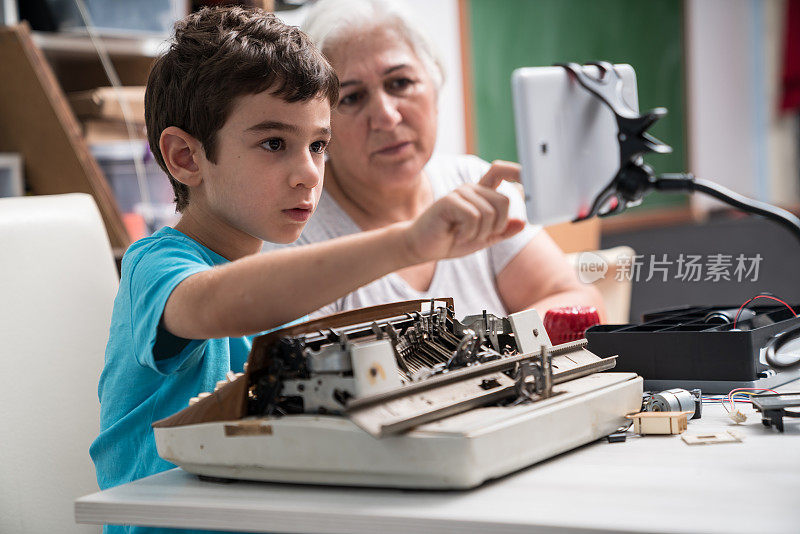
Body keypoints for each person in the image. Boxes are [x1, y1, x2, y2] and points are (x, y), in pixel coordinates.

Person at [89, 7, 523, 531]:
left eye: (318, 145)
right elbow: (214, 303)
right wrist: (407, 243)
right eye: (275, 144)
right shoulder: (156, 266)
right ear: (186, 157)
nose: (308, 174)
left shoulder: (277, 279)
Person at [276, 0, 604, 320]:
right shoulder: (296, 224)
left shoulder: (476, 182)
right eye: (352, 97)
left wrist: (489, 351)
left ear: (435, 88)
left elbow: (577, 300)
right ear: (320, 121)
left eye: (400, 83)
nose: (386, 117)